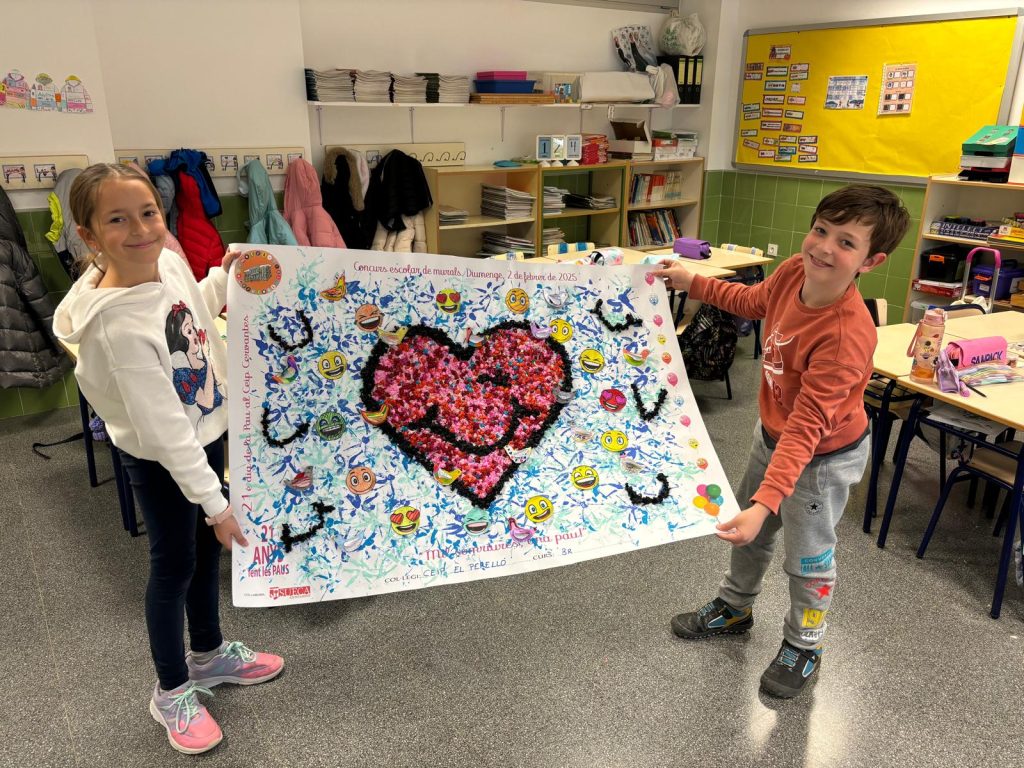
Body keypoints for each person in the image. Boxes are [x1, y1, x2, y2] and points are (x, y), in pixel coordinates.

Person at [53, 163, 283, 754]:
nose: (140, 230)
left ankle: (208, 653)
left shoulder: (169, 263)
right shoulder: (117, 329)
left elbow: (191, 318)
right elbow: (165, 432)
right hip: (160, 457)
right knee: (174, 565)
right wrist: (216, 504)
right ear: (90, 235)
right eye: (117, 220)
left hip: (204, 431)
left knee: (205, 554)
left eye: (148, 213)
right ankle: (172, 690)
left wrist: (221, 277)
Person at [650, 185, 909, 698]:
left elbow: (809, 426)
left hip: (823, 458)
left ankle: (805, 643)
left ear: (871, 261)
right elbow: (750, 301)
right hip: (771, 435)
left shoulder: (845, 335)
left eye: (846, 242)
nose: (824, 248)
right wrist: (692, 281)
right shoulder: (794, 271)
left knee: (809, 558)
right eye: (821, 230)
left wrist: (768, 500)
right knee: (748, 532)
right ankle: (735, 607)